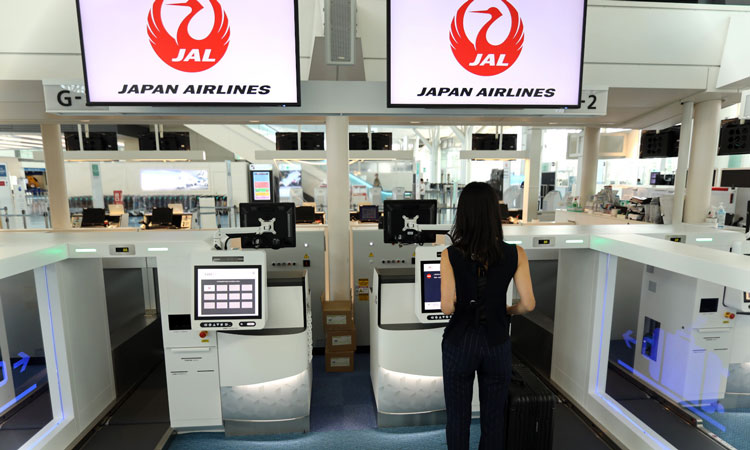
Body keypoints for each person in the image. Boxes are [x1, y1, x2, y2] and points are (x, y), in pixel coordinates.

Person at [440, 181, 536, 450]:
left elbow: (447, 307)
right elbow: (528, 304)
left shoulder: (450, 255)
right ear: (495, 213)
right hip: (496, 343)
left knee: (457, 418)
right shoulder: (515, 253)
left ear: (463, 214)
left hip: (459, 343)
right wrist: (507, 310)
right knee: (493, 419)